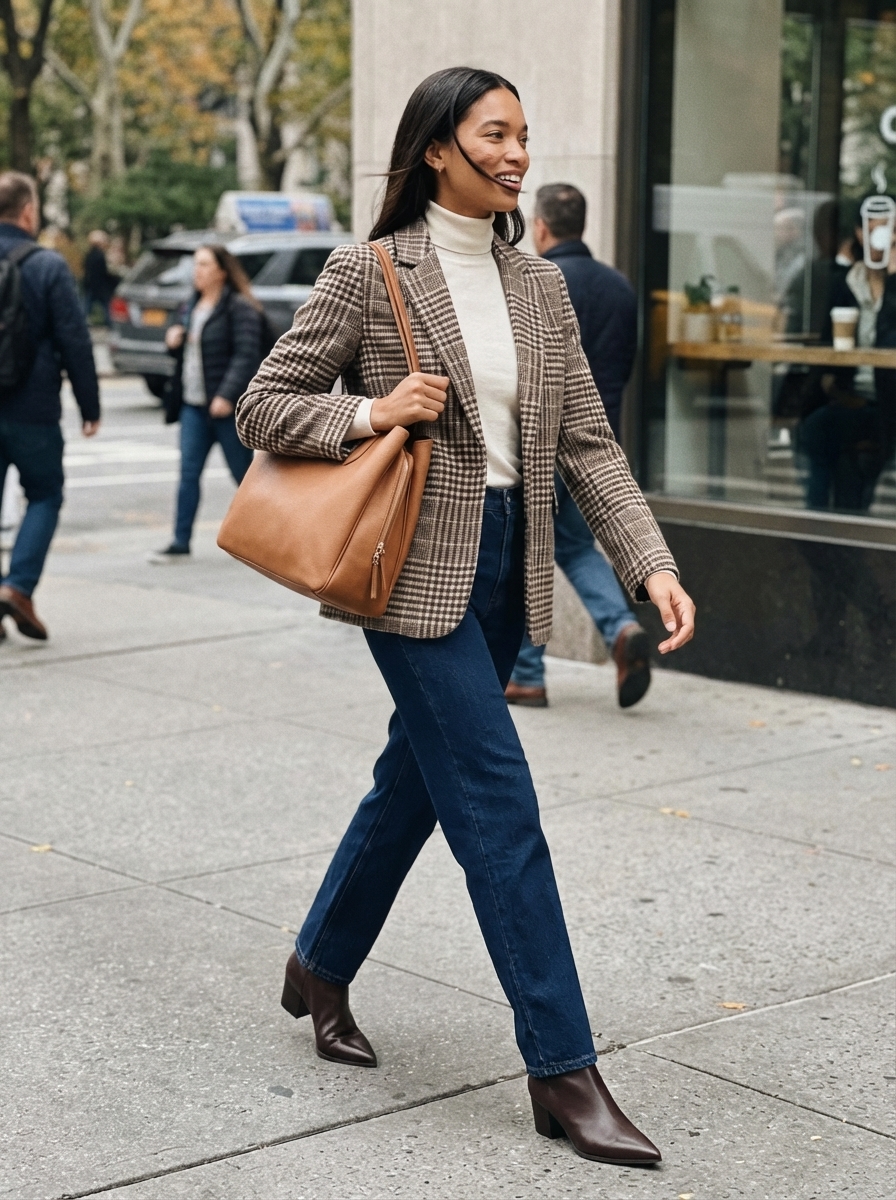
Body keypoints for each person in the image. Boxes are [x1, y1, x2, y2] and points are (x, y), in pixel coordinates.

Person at [236, 68, 695, 1165]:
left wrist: (648, 564)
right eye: (495, 133)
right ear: (438, 146)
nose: (516, 152)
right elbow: (263, 403)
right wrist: (370, 410)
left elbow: (586, 442)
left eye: (524, 135)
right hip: (409, 572)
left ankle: (318, 963)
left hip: (506, 567)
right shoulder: (369, 271)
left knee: (415, 783)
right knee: (497, 798)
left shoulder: (538, 285)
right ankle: (564, 1068)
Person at [505, 183, 651, 709]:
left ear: (541, 227)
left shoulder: (536, 283)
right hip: (595, 444)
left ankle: (525, 673)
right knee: (573, 547)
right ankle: (620, 628)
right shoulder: (620, 287)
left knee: (525, 554)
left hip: (541, 446)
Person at [0, 171, 100, 642]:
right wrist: (89, 405)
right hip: (32, 406)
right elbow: (74, 340)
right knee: (44, 494)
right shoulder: (47, 265)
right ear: (27, 212)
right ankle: (18, 587)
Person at [149, 245, 263, 562]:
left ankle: (271, 537)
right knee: (188, 473)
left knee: (244, 475)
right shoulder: (190, 307)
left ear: (221, 271)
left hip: (225, 408)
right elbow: (188, 354)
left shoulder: (239, 308)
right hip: (193, 406)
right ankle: (180, 541)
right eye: (195, 264)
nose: (196, 271)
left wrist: (227, 395)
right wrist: (174, 341)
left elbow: (246, 355)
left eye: (203, 264)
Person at [797, 194, 896, 513]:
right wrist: (832, 383)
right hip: (854, 400)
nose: (883, 238)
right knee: (817, 429)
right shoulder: (846, 283)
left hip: (890, 404)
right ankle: (819, 521)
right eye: (875, 228)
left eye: (890, 229)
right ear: (860, 233)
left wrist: (893, 282)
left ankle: (849, 521)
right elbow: (830, 342)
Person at [81, 230, 119, 327]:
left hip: (90, 286)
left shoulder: (89, 255)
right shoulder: (100, 256)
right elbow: (103, 272)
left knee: (87, 307)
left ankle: (81, 323)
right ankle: (112, 325)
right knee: (106, 307)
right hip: (99, 287)